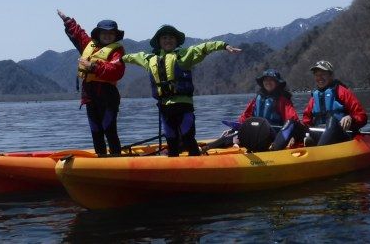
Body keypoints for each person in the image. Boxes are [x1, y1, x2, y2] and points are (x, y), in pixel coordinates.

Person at [122, 25, 241, 157]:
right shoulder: (149, 60)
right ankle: (173, 164)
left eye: (171, 38)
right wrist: (119, 59)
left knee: (188, 137)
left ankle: (196, 161)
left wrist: (224, 45)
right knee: (171, 139)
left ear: (176, 41)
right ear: (159, 42)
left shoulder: (184, 56)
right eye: (164, 38)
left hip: (183, 106)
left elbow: (204, 47)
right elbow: (133, 57)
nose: (168, 40)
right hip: (164, 107)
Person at [57, 9, 126, 156]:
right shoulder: (89, 45)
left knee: (109, 129)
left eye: (111, 33)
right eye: (104, 33)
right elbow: (78, 34)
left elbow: (116, 71)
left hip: (108, 98)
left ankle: (116, 159)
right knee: (96, 131)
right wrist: (68, 21)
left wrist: (93, 66)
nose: (107, 36)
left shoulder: (117, 52)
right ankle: (101, 158)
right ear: (98, 34)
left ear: (115, 36)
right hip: (90, 97)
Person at [204, 68, 299, 152]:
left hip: (273, 136)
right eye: (265, 80)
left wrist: (291, 136)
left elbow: (292, 120)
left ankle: (274, 149)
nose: (268, 82)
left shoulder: (282, 100)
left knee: (291, 123)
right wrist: (234, 129)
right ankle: (205, 148)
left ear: (277, 83)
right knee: (232, 134)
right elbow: (245, 117)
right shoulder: (257, 99)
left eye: (271, 80)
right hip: (256, 133)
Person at [301, 60, 368, 146]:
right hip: (320, 134)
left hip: (341, 135)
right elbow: (306, 120)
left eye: (323, 74)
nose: (319, 78)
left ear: (331, 75)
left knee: (332, 120)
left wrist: (351, 118)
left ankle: (318, 152)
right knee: (292, 123)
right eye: (317, 75)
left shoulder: (342, 92)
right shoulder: (314, 97)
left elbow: (362, 116)